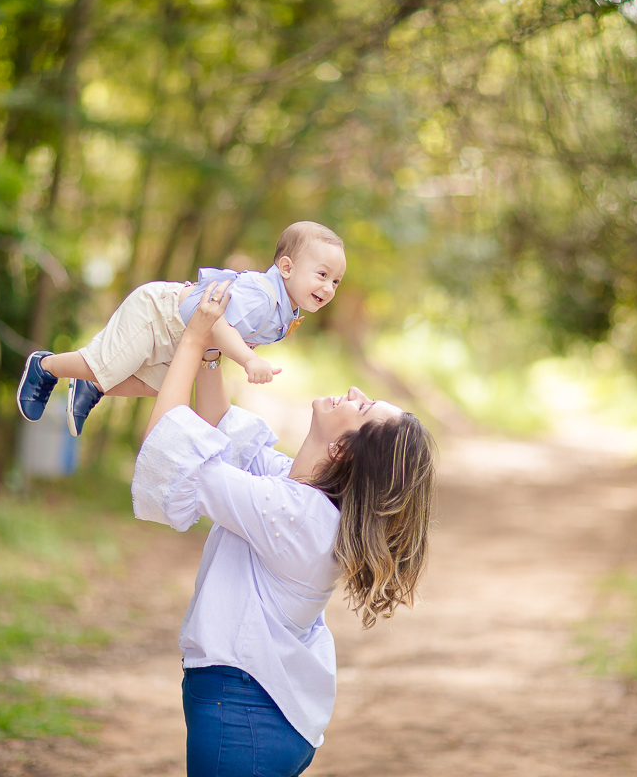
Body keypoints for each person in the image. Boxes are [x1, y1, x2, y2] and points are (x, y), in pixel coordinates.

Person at [131, 279, 436, 777]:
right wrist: (211, 355)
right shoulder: (300, 498)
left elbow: (169, 445)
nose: (355, 391)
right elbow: (221, 434)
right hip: (255, 711)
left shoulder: (295, 517)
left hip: (244, 714)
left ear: (341, 451)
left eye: (361, 408)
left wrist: (191, 338)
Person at [16, 221, 346, 436]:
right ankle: (45, 366)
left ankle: (92, 386)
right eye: (322, 275)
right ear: (286, 268)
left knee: (153, 385)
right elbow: (218, 324)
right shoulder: (262, 296)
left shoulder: (286, 312)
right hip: (161, 313)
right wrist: (248, 360)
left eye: (335, 281)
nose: (329, 287)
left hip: (184, 341)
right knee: (103, 363)